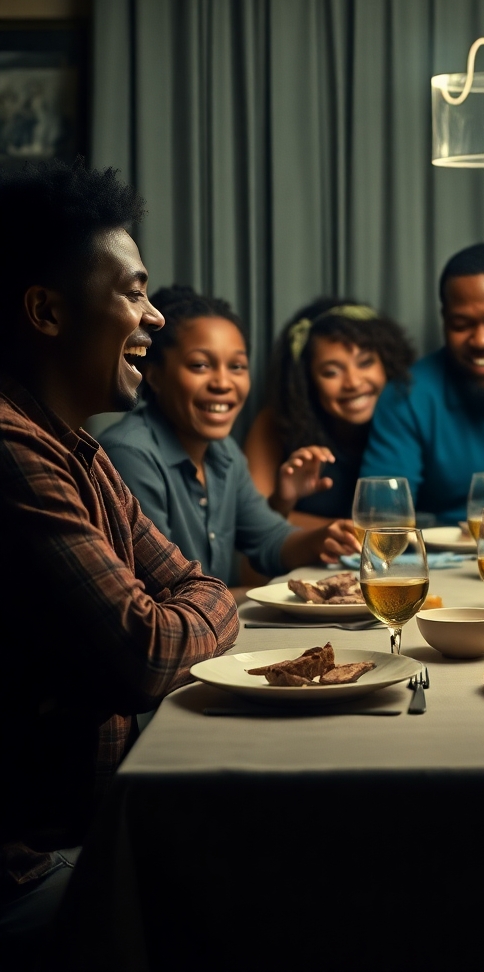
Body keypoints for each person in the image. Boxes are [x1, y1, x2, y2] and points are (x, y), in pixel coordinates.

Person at [0, 160, 239, 962]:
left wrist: (193, 607)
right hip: (26, 871)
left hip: (87, 830)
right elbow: (144, 654)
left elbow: (200, 587)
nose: (156, 318)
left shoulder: (78, 449)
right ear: (46, 311)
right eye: (134, 292)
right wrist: (196, 610)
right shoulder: (11, 453)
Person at [98, 286, 362, 603]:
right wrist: (264, 596)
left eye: (236, 366)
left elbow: (271, 541)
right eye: (200, 365)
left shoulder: (223, 453)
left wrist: (323, 539)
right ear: (154, 376)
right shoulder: (129, 454)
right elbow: (165, 594)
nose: (223, 383)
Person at [358, 243, 484, 525]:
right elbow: (381, 522)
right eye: (461, 325)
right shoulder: (406, 395)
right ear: (444, 321)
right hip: (444, 563)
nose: (481, 340)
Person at [244, 297, 415, 529]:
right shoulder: (274, 422)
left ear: (387, 363)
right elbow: (253, 522)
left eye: (365, 363)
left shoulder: (410, 418)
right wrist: (350, 531)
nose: (353, 382)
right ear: (307, 381)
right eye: (332, 372)